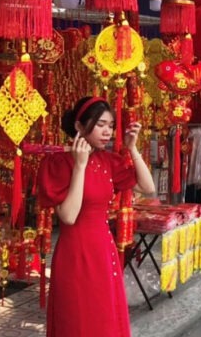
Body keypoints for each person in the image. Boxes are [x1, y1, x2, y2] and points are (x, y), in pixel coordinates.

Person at [37, 96, 157, 337]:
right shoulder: (57, 163)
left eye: (111, 126)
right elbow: (69, 216)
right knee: (78, 320)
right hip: (75, 254)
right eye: (101, 124)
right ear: (80, 127)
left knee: (104, 320)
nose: (107, 132)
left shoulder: (107, 161)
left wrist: (132, 148)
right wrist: (80, 166)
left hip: (104, 250)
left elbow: (148, 187)